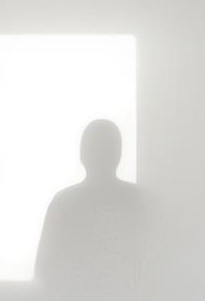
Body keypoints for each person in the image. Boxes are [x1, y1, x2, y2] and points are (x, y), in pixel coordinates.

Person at [31, 118, 144, 291]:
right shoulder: (135, 200)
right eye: (98, 147)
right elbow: (44, 271)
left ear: (82, 154)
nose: (101, 153)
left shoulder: (65, 203)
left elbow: (43, 271)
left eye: (105, 147)